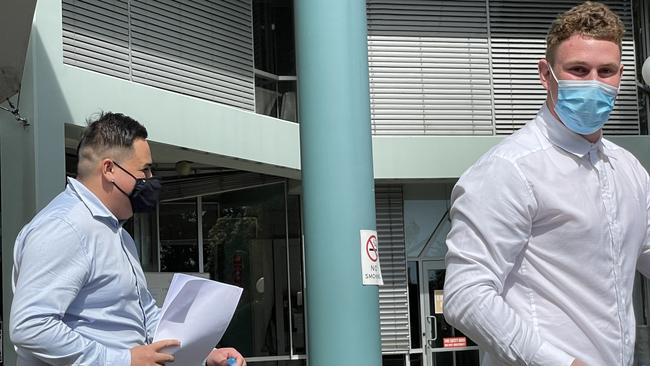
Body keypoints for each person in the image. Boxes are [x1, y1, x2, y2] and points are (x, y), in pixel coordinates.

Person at [443, 2, 649, 365]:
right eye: (578, 70)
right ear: (546, 73)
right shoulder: (509, 170)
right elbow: (466, 294)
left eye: (607, 71)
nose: (594, 84)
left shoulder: (627, 168)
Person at [10, 112, 246, 366]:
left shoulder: (118, 234)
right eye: (144, 170)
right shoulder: (64, 227)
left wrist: (204, 355)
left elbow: (144, 317)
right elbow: (30, 326)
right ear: (109, 169)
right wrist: (122, 360)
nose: (150, 179)